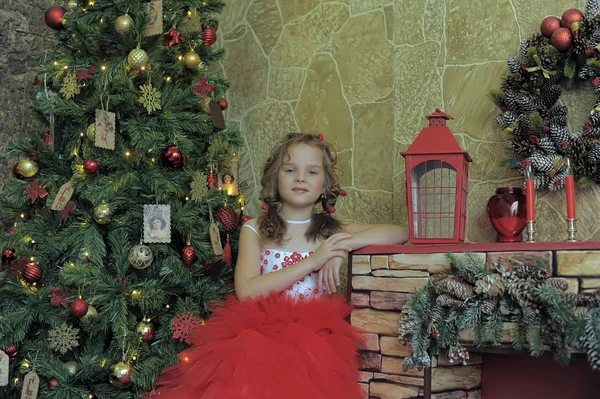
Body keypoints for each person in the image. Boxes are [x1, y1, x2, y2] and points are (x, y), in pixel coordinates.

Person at [151, 133, 408, 398]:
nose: (300, 177)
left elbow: (399, 233)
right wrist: (314, 260)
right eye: (290, 169)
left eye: (312, 171)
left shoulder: (330, 231)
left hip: (316, 345)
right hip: (258, 342)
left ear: (325, 185)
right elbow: (248, 293)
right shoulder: (255, 230)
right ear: (276, 178)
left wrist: (340, 246)